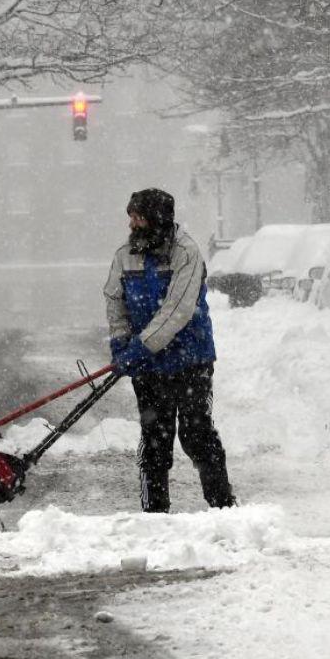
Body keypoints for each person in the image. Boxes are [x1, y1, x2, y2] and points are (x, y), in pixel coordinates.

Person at [103, 188, 236, 513]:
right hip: (148, 367)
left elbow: (177, 310)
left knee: (197, 433)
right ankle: (154, 512)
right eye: (130, 217)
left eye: (139, 217)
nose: (132, 224)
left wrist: (140, 347)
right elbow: (113, 298)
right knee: (154, 438)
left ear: (157, 220)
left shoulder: (186, 253)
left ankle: (223, 509)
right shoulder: (125, 254)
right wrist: (121, 340)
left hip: (192, 361)